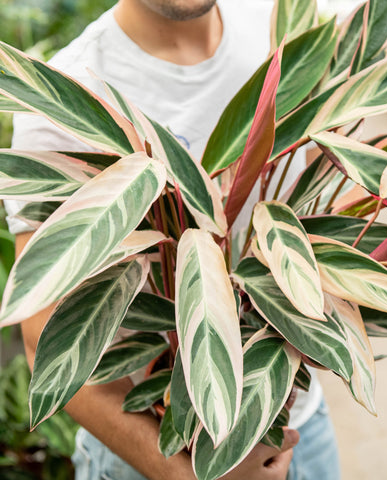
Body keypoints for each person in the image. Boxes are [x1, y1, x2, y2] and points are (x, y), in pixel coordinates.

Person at [5, 1, 341, 479]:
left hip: (299, 433)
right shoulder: (68, 95)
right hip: (157, 452)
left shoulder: (283, 31)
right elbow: (49, 343)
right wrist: (192, 474)